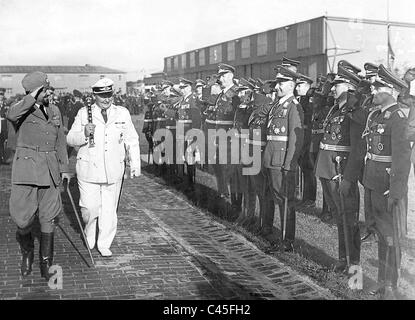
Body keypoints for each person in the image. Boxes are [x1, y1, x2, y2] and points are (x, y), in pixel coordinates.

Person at [67, 78, 141, 257]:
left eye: (109, 95)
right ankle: (90, 231)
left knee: (109, 209)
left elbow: (132, 139)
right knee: (90, 208)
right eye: (102, 96)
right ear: (94, 96)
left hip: (113, 169)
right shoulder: (84, 113)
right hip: (89, 168)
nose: (106, 99)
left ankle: (104, 242)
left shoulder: (122, 113)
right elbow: (70, 139)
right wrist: (84, 134)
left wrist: (135, 164)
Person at [6, 71, 70, 279]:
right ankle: (27, 253)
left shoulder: (55, 110)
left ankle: (46, 264)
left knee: (48, 217)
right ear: (35, 91)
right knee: (23, 220)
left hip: (50, 171)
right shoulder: (20, 109)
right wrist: (32, 96)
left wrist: (64, 168)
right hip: (27, 172)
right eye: (46, 89)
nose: (50, 92)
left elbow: (60, 141)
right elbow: (11, 115)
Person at [361, 65, 411, 298]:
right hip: (373, 182)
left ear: (390, 89)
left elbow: (402, 160)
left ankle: (391, 285)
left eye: (378, 86)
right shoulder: (377, 115)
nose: (373, 89)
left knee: (391, 238)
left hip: (388, 187)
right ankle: (382, 281)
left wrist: (396, 191)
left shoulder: (398, 117)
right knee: (381, 234)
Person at [315, 63, 364, 272]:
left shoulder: (355, 112)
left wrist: (349, 178)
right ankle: (342, 259)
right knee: (339, 216)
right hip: (328, 169)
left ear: (350, 86)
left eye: (338, 85)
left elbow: (358, 151)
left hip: (342, 172)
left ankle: (353, 263)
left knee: (349, 218)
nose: (333, 88)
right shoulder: (336, 109)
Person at [263, 66, 304, 251]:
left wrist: (289, 165)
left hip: (282, 161)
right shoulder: (277, 104)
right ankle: (280, 235)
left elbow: (296, 140)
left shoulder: (293, 106)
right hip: (271, 158)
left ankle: (287, 241)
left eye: (282, 83)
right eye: (277, 82)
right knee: (277, 198)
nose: (277, 86)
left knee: (285, 201)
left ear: (292, 85)